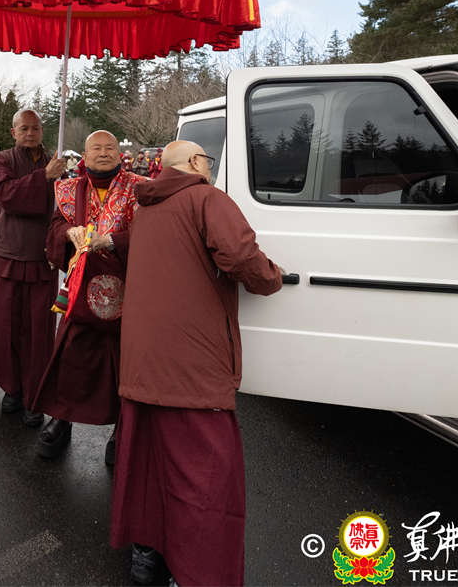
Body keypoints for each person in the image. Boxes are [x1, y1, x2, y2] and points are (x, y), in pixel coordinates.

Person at [110, 140, 284, 587]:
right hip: (191, 365)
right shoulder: (206, 198)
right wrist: (273, 277)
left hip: (142, 362)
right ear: (192, 163)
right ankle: (196, 572)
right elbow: (241, 255)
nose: (210, 167)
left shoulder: (145, 207)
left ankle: (147, 554)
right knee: (203, 477)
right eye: (207, 160)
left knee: (147, 465)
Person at [32, 130, 142, 461]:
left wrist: (112, 242)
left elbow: (150, 231)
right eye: (97, 148)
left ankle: (121, 429)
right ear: (85, 154)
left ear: (120, 154)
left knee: (123, 362)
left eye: (110, 147)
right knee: (70, 356)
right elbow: (54, 227)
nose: (104, 152)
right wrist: (69, 232)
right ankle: (61, 419)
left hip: (126, 285)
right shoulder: (70, 189)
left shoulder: (138, 188)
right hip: (81, 289)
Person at [0, 110, 66, 427]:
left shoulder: (56, 162)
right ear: (13, 132)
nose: (30, 133)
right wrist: (44, 177)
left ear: (42, 131)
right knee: (6, 328)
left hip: (42, 258)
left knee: (39, 334)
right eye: (24, 128)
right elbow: (6, 195)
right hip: (8, 256)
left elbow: (66, 208)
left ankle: (35, 397)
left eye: (35, 128)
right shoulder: (1, 160)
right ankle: (12, 388)